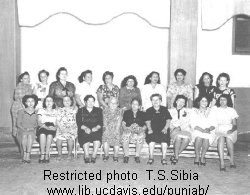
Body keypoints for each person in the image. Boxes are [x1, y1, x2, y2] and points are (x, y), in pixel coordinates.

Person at [213, 94, 239, 171]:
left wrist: (232, 130)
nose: (222, 101)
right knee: (221, 138)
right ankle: (222, 162)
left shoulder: (232, 110)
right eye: (221, 100)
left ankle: (232, 160)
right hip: (218, 129)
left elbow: (235, 125)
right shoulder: (216, 110)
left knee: (228, 139)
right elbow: (212, 123)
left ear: (228, 101)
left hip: (229, 128)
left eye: (224, 100)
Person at [145, 94, 172, 165]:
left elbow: (168, 120)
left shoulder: (164, 109)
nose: (155, 101)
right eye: (153, 100)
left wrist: (166, 128)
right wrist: (149, 129)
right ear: (151, 101)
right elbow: (147, 121)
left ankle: (164, 158)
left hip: (163, 128)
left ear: (160, 101)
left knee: (164, 139)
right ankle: (151, 157)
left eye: (157, 100)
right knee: (151, 139)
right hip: (152, 128)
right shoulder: (149, 110)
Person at [190, 95, 217, 166]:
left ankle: (202, 157)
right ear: (199, 102)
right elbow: (193, 124)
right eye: (202, 101)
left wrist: (209, 129)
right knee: (198, 137)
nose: (204, 102)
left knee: (206, 138)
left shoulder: (211, 111)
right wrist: (201, 130)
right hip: (197, 130)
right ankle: (197, 156)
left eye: (206, 101)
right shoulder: (194, 111)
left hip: (209, 130)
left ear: (208, 103)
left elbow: (214, 124)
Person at [76, 95, 103, 164]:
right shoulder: (80, 110)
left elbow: (101, 122)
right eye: (89, 101)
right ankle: (87, 155)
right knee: (85, 135)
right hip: (84, 129)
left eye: (92, 101)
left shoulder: (99, 110)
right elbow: (79, 122)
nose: (91, 103)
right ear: (85, 102)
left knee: (97, 137)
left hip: (96, 128)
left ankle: (94, 155)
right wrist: (85, 128)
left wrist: (96, 127)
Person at [11, 72, 33, 154]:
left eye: (28, 78)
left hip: (25, 108)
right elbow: (22, 100)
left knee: (23, 129)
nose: (27, 79)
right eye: (25, 78)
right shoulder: (19, 87)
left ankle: (23, 149)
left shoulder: (29, 87)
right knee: (18, 128)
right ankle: (22, 149)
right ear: (21, 79)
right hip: (18, 108)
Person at [169, 95, 192, 165]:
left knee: (186, 139)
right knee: (178, 137)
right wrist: (174, 127)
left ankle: (176, 156)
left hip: (184, 129)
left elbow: (188, 122)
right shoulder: (170, 111)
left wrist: (180, 127)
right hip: (173, 130)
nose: (181, 103)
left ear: (185, 104)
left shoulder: (187, 111)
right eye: (179, 101)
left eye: (183, 102)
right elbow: (168, 122)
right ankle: (176, 157)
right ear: (176, 101)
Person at [121, 98, 146, 163]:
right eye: (133, 104)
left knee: (141, 135)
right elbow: (123, 123)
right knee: (125, 135)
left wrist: (141, 129)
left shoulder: (143, 113)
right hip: (129, 129)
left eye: (136, 104)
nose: (134, 105)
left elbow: (145, 125)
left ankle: (137, 156)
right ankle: (126, 155)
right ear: (131, 104)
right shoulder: (127, 112)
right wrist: (125, 128)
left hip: (138, 130)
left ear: (139, 106)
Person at [16, 94, 38, 163]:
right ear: (25, 103)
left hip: (32, 130)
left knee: (30, 136)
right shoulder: (21, 111)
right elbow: (18, 123)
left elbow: (38, 123)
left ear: (35, 102)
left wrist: (32, 128)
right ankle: (25, 154)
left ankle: (28, 155)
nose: (30, 103)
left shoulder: (37, 112)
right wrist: (24, 129)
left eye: (32, 101)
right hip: (22, 130)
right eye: (28, 101)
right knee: (25, 135)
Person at [55, 96, 78, 160]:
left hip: (72, 129)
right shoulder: (60, 110)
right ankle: (59, 155)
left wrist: (70, 129)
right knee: (59, 140)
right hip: (61, 129)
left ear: (71, 101)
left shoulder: (74, 110)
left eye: (68, 100)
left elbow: (76, 121)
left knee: (70, 139)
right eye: (65, 100)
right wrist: (62, 129)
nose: (67, 102)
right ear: (63, 102)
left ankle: (69, 154)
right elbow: (57, 121)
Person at [37, 96, 57, 163]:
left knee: (50, 135)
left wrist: (55, 128)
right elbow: (39, 122)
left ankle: (47, 154)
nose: (49, 102)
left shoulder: (56, 111)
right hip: (43, 126)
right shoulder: (41, 110)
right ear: (44, 102)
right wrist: (45, 127)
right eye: (47, 101)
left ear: (53, 102)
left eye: (50, 101)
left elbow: (57, 123)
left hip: (52, 126)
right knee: (42, 134)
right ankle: (42, 154)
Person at [102, 97, 123, 162]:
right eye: (111, 103)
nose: (113, 105)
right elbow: (104, 121)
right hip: (107, 127)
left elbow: (119, 121)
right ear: (108, 103)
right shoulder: (105, 110)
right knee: (105, 135)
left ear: (117, 104)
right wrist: (107, 130)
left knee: (117, 136)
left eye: (115, 103)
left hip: (117, 127)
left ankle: (115, 156)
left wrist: (116, 130)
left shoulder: (120, 110)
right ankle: (106, 155)